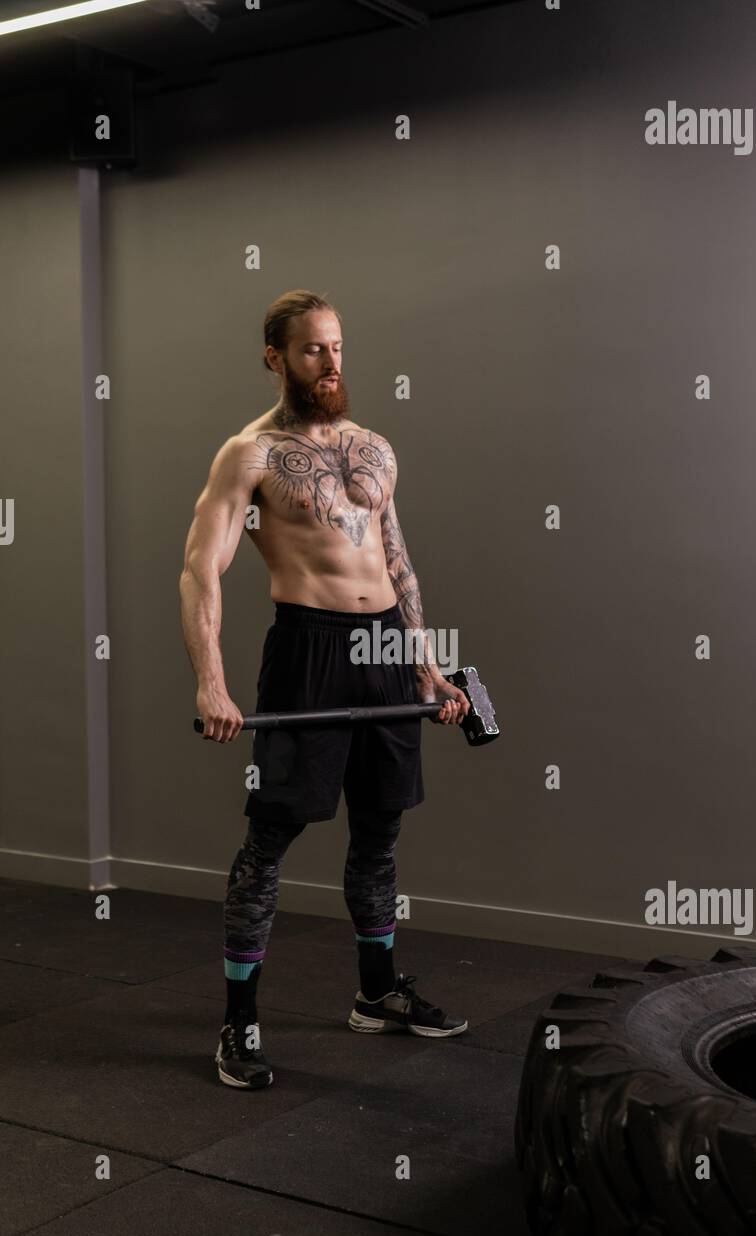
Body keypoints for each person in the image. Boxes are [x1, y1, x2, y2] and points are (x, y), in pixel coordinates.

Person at [179, 289, 470, 1089]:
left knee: (378, 828)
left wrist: (426, 665)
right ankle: (238, 1024)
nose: (331, 363)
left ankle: (376, 992)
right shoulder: (250, 456)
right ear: (275, 358)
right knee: (270, 839)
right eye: (313, 349)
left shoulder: (374, 448)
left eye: (338, 347)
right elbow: (201, 568)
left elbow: (396, 560)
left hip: (385, 645)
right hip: (308, 649)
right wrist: (213, 682)